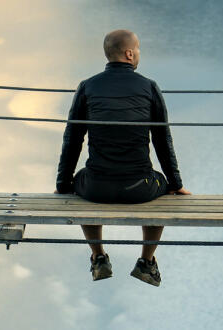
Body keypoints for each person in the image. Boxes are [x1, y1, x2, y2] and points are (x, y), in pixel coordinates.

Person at [56, 29, 191, 286]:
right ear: (129, 54)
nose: (139, 53)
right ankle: (147, 262)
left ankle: (98, 256)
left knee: (80, 180)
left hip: (95, 188)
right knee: (164, 188)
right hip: (139, 188)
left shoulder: (87, 86)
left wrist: (63, 185)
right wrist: (176, 184)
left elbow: (72, 140)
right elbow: (163, 141)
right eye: (138, 49)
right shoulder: (149, 87)